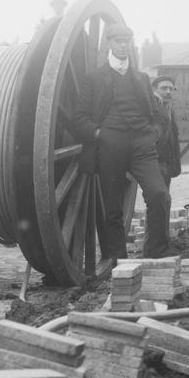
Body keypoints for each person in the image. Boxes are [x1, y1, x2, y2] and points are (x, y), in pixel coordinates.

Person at [72, 23, 169, 261]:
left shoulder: (142, 78)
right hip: (110, 145)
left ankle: (155, 257)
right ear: (110, 44)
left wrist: (152, 134)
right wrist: (99, 135)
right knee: (112, 209)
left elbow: (156, 117)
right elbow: (78, 119)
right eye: (118, 41)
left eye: (127, 41)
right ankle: (119, 263)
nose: (123, 45)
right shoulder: (94, 78)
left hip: (141, 145)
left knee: (159, 195)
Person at [151, 75, 181, 186]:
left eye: (171, 88)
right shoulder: (151, 105)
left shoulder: (168, 106)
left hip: (166, 160)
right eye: (164, 88)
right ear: (154, 89)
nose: (168, 91)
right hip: (154, 159)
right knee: (159, 194)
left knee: (164, 193)